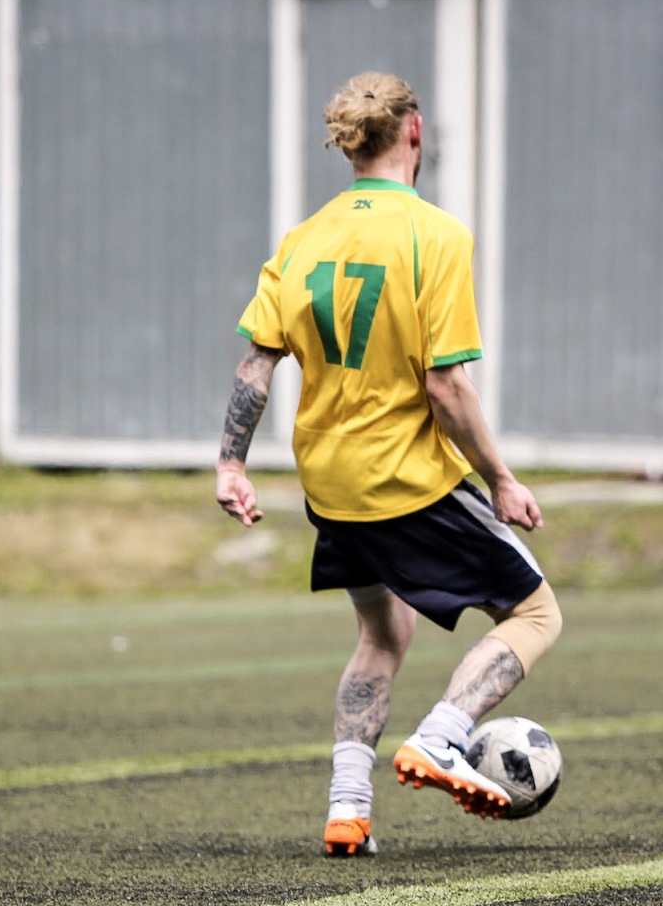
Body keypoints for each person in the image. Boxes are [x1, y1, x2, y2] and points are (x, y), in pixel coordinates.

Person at [215, 71, 562, 855]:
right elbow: (445, 385)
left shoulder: (302, 240)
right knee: (536, 614)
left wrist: (231, 465)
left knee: (383, 630)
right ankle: (442, 737)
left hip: (329, 487)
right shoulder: (434, 235)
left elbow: (254, 368)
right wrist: (502, 478)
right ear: (414, 132)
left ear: (349, 144)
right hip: (404, 481)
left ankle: (347, 808)